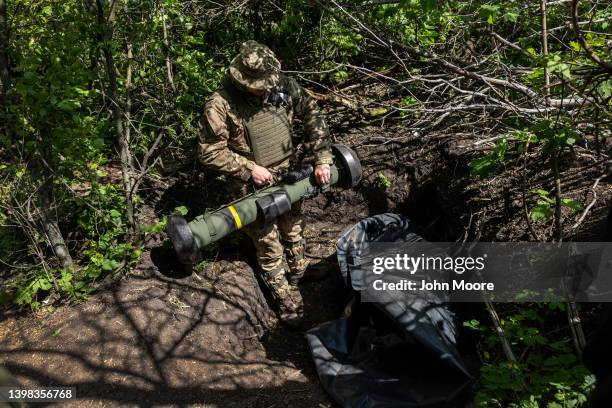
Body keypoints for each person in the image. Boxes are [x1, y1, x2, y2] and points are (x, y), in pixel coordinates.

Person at [197, 40, 333, 326]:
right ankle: (284, 297)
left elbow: (313, 115)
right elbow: (209, 151)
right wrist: (248, 168)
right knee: (268, 241)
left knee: (294, 224)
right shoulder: (220, 104)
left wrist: (322, 158)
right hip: (251, 187)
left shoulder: (283, 84)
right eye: (257, 85)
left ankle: (299, 270)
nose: (265, 89)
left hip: (288, 174)